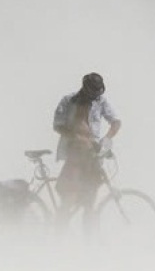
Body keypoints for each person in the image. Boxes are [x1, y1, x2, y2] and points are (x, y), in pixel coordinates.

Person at [52, 72, 122, 233]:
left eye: (97, 93)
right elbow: (58, 125)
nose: (94, 96)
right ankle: (57, 239)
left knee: (90, 202)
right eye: (92, 93)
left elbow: (116, 122)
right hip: (75, 155)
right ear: (84, 88)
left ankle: (89, 245)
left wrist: (107, 138)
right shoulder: (68, 101)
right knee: (68, 199)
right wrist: (75, 135)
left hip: (92, 157)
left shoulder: (101, 101)